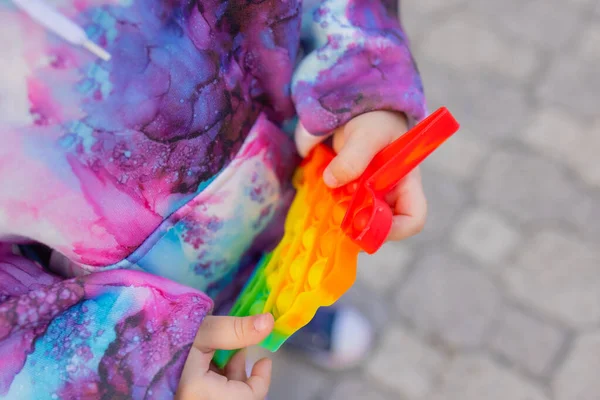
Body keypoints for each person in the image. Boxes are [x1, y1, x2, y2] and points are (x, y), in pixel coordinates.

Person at [0, 0, 427, 398]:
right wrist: (125, 362)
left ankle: (297, 316)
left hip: (286, 170)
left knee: (298, 273)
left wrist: (358, 82)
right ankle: (245, 340)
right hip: (123, 300)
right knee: (225, 339)